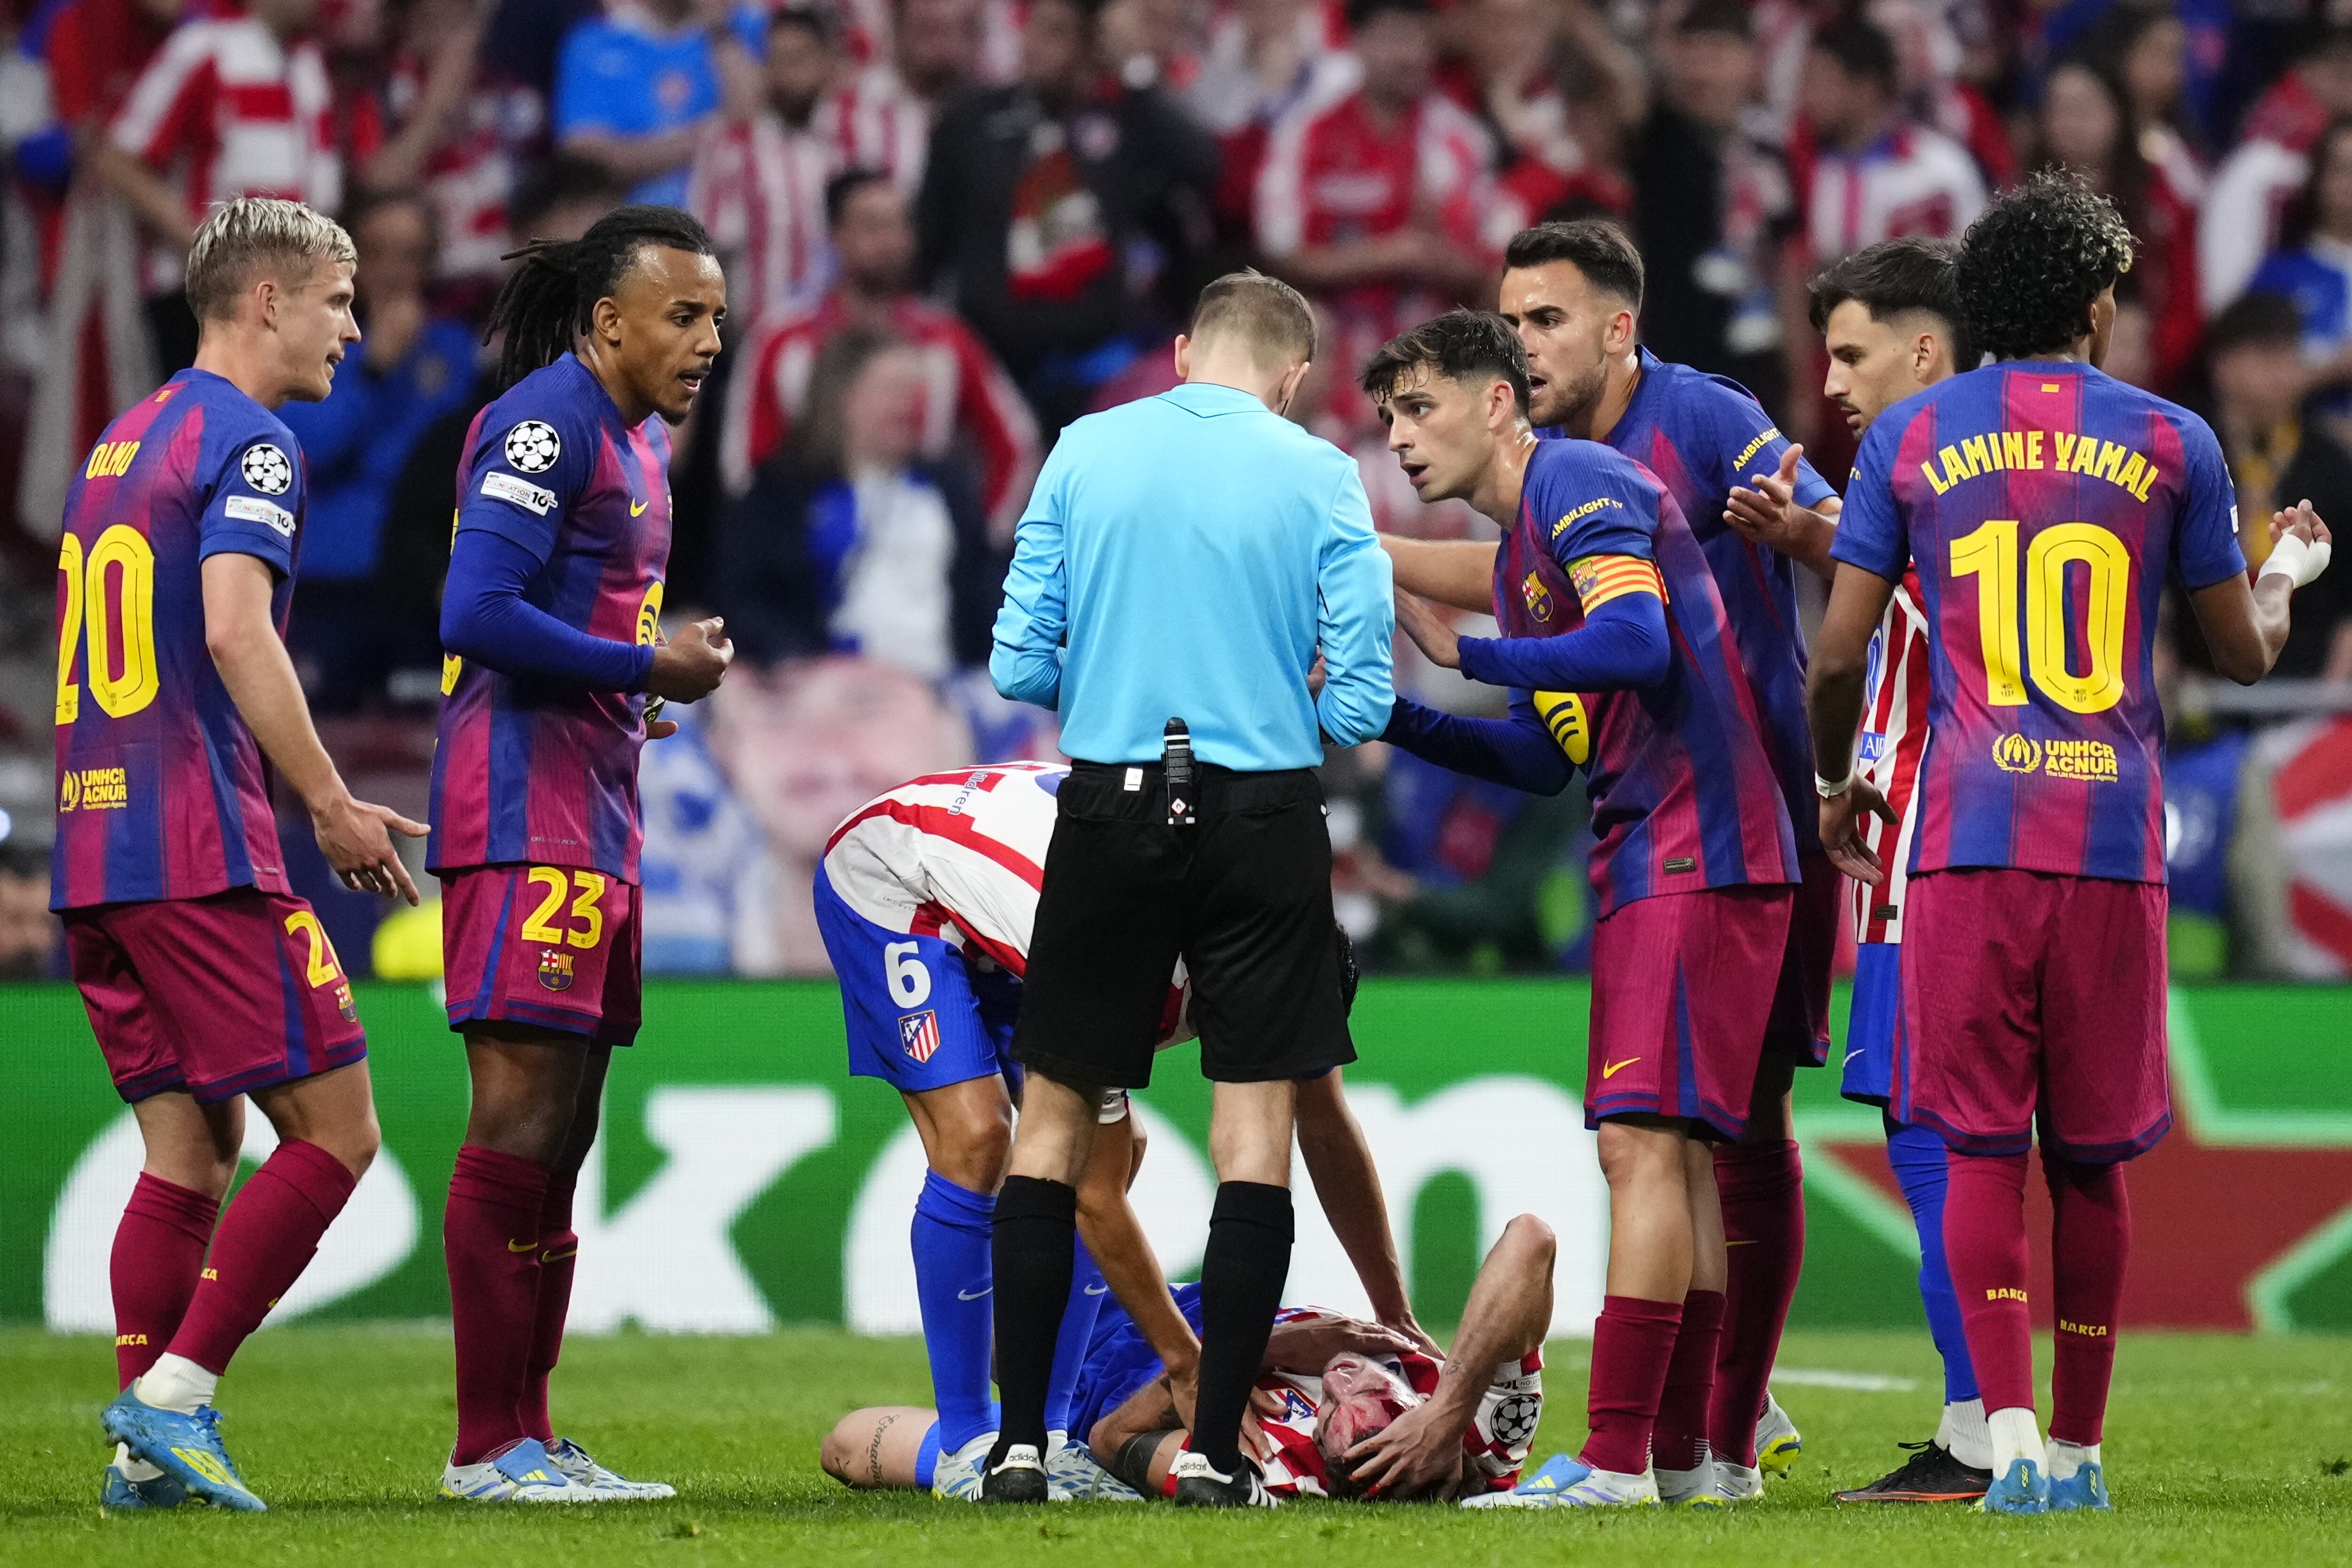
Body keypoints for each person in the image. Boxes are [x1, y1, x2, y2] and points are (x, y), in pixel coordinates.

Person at [1807, 170, 2334, 1516]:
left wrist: (1834, 780)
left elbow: (1835, 655)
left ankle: (2017, 1443)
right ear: (2100, 301)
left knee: (1978, 1145)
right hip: (2113, 836)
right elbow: (2243, 650)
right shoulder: (2173, 439)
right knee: (2092, 1154)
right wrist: (2284, 571)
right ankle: (2088, 1454)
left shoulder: (1913, 436)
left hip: (1969, 835)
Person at [1381, 217, 1832, 1496]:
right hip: (1668, 828)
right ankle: (1693, 1449)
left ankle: (1640, 1448)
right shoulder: (1539, 537)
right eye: (1512, 322)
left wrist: (1465, 652)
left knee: (1665, 1142)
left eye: (1417, 414)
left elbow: (1636, 644)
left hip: (1715, 822)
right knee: (1678, 1147)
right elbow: (1539, 750)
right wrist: (1400, 713)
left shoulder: (1604, 466)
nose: (1402, 441)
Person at [983, 270, 1394, 1506]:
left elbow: (1014, 656)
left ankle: (1015, 1447)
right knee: (1252, 1129)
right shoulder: (1321, 472)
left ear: (1181, 352)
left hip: (1110, 797)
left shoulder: (1085, 448)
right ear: (1291, 377)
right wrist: (1274, 710)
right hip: (1262, 807)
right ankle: (1219, 1449)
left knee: (1051, 1122)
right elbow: (1365, 700)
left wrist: (1117, 690)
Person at [59, 197, 422, 1513]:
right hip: (199, 845)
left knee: (188, 1152)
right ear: (264, 298)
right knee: (336, 1131)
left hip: (96, 849)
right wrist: (327, 798)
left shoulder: (120, 439)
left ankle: (137, 1460)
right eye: (337, 299)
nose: (354, 325)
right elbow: (230, 629)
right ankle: (172, 1397)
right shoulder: (253, 440)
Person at [814, 760, 1428, 1497]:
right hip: (899, 871)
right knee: (979, 1138)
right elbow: (1093, 1194)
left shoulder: (1268, 948)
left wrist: (1394, 1309)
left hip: (1024, 901)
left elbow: (1327, 1127)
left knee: (1122, 1145)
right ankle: (967, 1442)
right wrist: (1188, 1362)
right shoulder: (1133, 968)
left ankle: (1057, 1435)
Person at [427, 205, 735, 1503]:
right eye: (685, 315)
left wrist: (635, 689)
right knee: (517, 1122)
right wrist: (637, 661)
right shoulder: (547, 422)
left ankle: (531, 1434)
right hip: (518, 814)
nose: (711, 339)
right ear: (609, 321)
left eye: (718, 316)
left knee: (563, 1133)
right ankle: (485, 1444)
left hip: (593, 805)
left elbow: (564, 620)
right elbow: (474, 610)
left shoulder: (637, 444)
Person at [1784, 238, 1992, 1505]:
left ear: (1926, 349)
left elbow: (1852, 649)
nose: (1836, 381)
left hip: (1926, 833)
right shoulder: (2023, 462)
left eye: (1854, 352)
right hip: (2054, 832)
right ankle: (2027, 1426)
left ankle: (1975, 1434)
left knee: (1928, 1140)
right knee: (1997, 1148)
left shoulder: (1907, 463)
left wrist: (1821, 537)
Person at [821, 1213, 1552, 1504]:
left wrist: (1252, 1354)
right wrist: (1455, 1398)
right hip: (1172, 1303)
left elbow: (1112, 1439)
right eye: (1383, 1392)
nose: (1346, 1377)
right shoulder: (1484, 1429)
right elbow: (1531, 1240)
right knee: (1090, 1156)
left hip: (1084, 1378)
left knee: (851, 1442)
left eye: (1334, 1410)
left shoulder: (1278, 1479)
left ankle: (986, 1443)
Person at [914, 0, 1220, 436]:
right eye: (1035, 31)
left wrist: (1132, 71)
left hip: (1103, 368)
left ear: (1090, 48)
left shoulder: (1126, 119)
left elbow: (1202, 167)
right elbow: (929, 242)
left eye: (1058, 34)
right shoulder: (970, 121)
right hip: (994, 368)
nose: (1038, 47)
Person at [721, 169, 1039, 533]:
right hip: (808, 554)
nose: (891, 242)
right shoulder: (782, 340)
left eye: (900, 225)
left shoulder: (946, 338)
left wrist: (978, 539)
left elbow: (1016, 444)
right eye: (873, 226)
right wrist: (781, 554)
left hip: (924, 556)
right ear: (836, 237)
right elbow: (745, 464)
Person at [1253, 0, 1502, 431]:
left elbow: (1491, 273)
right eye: (1392, 37)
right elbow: (1279, 255)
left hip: (1435, 380)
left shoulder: (1461, 140)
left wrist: (1438, 258)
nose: (1409, 53)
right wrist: (1396, 253)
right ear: (1357, 42)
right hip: (1325, 387)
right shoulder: (1306, 135)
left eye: (1418, 37)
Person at [277, 192, 481, 712]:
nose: (394, 270)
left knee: (426, 746)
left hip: (420, 582)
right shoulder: (304, 347)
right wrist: (373, 369)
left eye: (411, 254)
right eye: (379, 252)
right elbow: (308, 452)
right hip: (331, 579)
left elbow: (452, 463)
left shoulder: (456, 350)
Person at [715, 325, 1001, 676]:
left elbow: (987, 597)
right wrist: (800, 663)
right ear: (844, 397)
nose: (912, 404)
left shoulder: (951, 490)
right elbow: (745, 602)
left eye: (918, 391)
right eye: (894, 390)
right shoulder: (783, 492)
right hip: (825, 688)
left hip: (944, 685)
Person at [95, 0, 343, 376]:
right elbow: (118, 159)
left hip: (285, 294)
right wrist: (203, 245)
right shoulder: (204, 47)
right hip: (206, 299)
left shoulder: (308, 61)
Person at [2201, 292, 2352, 681]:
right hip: (2202, 688)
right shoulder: (2189, 453)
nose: (2286, 373)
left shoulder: (2329, 463)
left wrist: (2326, 701)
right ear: (2224, 364)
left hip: (2308, 690)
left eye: (2292, 356)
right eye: (2269, 357)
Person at [687, 2, 842, 329]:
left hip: (840, 338)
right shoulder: (733, 147)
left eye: (800, 58)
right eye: (779, 59)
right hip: (756, 333)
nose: (789, 72)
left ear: (827, 63)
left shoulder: (853, 143)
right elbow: (708, 250)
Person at [1792, 15, 1986, 267]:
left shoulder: (1940, 166)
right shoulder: (1814, 170)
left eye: (1820, 81)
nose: (1806, 96)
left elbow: (1979, 257)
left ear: (1865, 88)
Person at [552, 0, 762, 208]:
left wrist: (719, 29)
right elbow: (589, 161)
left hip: (727, 226)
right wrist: (707, 138)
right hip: (631, 224)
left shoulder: (745, 26)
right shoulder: (597, 41)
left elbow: (752, 121)